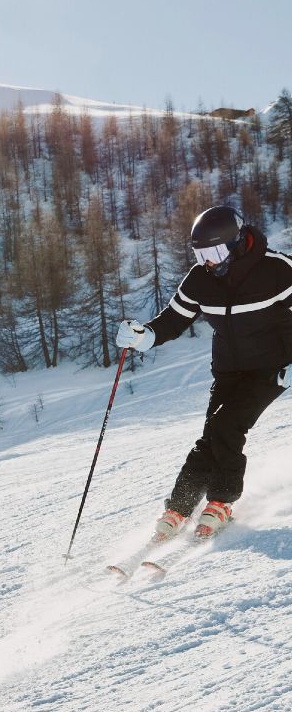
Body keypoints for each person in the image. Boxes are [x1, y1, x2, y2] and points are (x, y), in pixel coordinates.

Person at [116, 206, 292, 541]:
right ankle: (179, 507)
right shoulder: (201, 279)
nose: (207, 261)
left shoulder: (278, 270)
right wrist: (144, 336)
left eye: (213, 252)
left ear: (238, 243)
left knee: (228, 426)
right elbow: (173, 319)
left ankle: (221, 502)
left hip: (273, 368)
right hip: (228, 369)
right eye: (200, 254)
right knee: (211, 435)